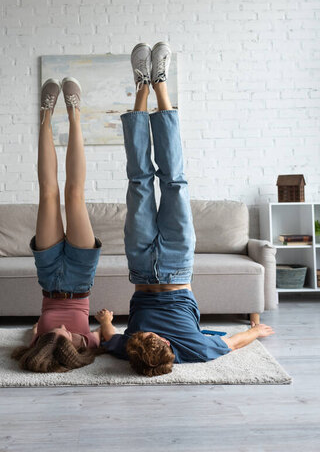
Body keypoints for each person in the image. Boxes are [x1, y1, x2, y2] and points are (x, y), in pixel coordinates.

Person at [95, 42, 275, 377]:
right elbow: (233, 343)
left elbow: (109, 340)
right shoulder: (194, 351)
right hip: (178, 265)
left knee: (139, 182)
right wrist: (255, 331)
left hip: (141, 265)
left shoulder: (131, 349)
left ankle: (141, 87)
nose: (154, 334)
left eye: (146, 336)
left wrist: (105, 322)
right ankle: (160, 83)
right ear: (168, 348)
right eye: (158, 339)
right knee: (174, 181)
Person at [11, 77, 103, 373]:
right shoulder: (86, 343)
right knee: (74, 194)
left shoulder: (39, 337)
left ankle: (46, 116)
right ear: (70, 345)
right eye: (63, 333)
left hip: (49, 275)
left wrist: (42, 336)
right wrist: (107, 324)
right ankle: (75, 112)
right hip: (80, 277)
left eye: (54, 332)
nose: (60, 327)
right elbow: (109, 336)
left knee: (48, 194)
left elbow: (32, 332)